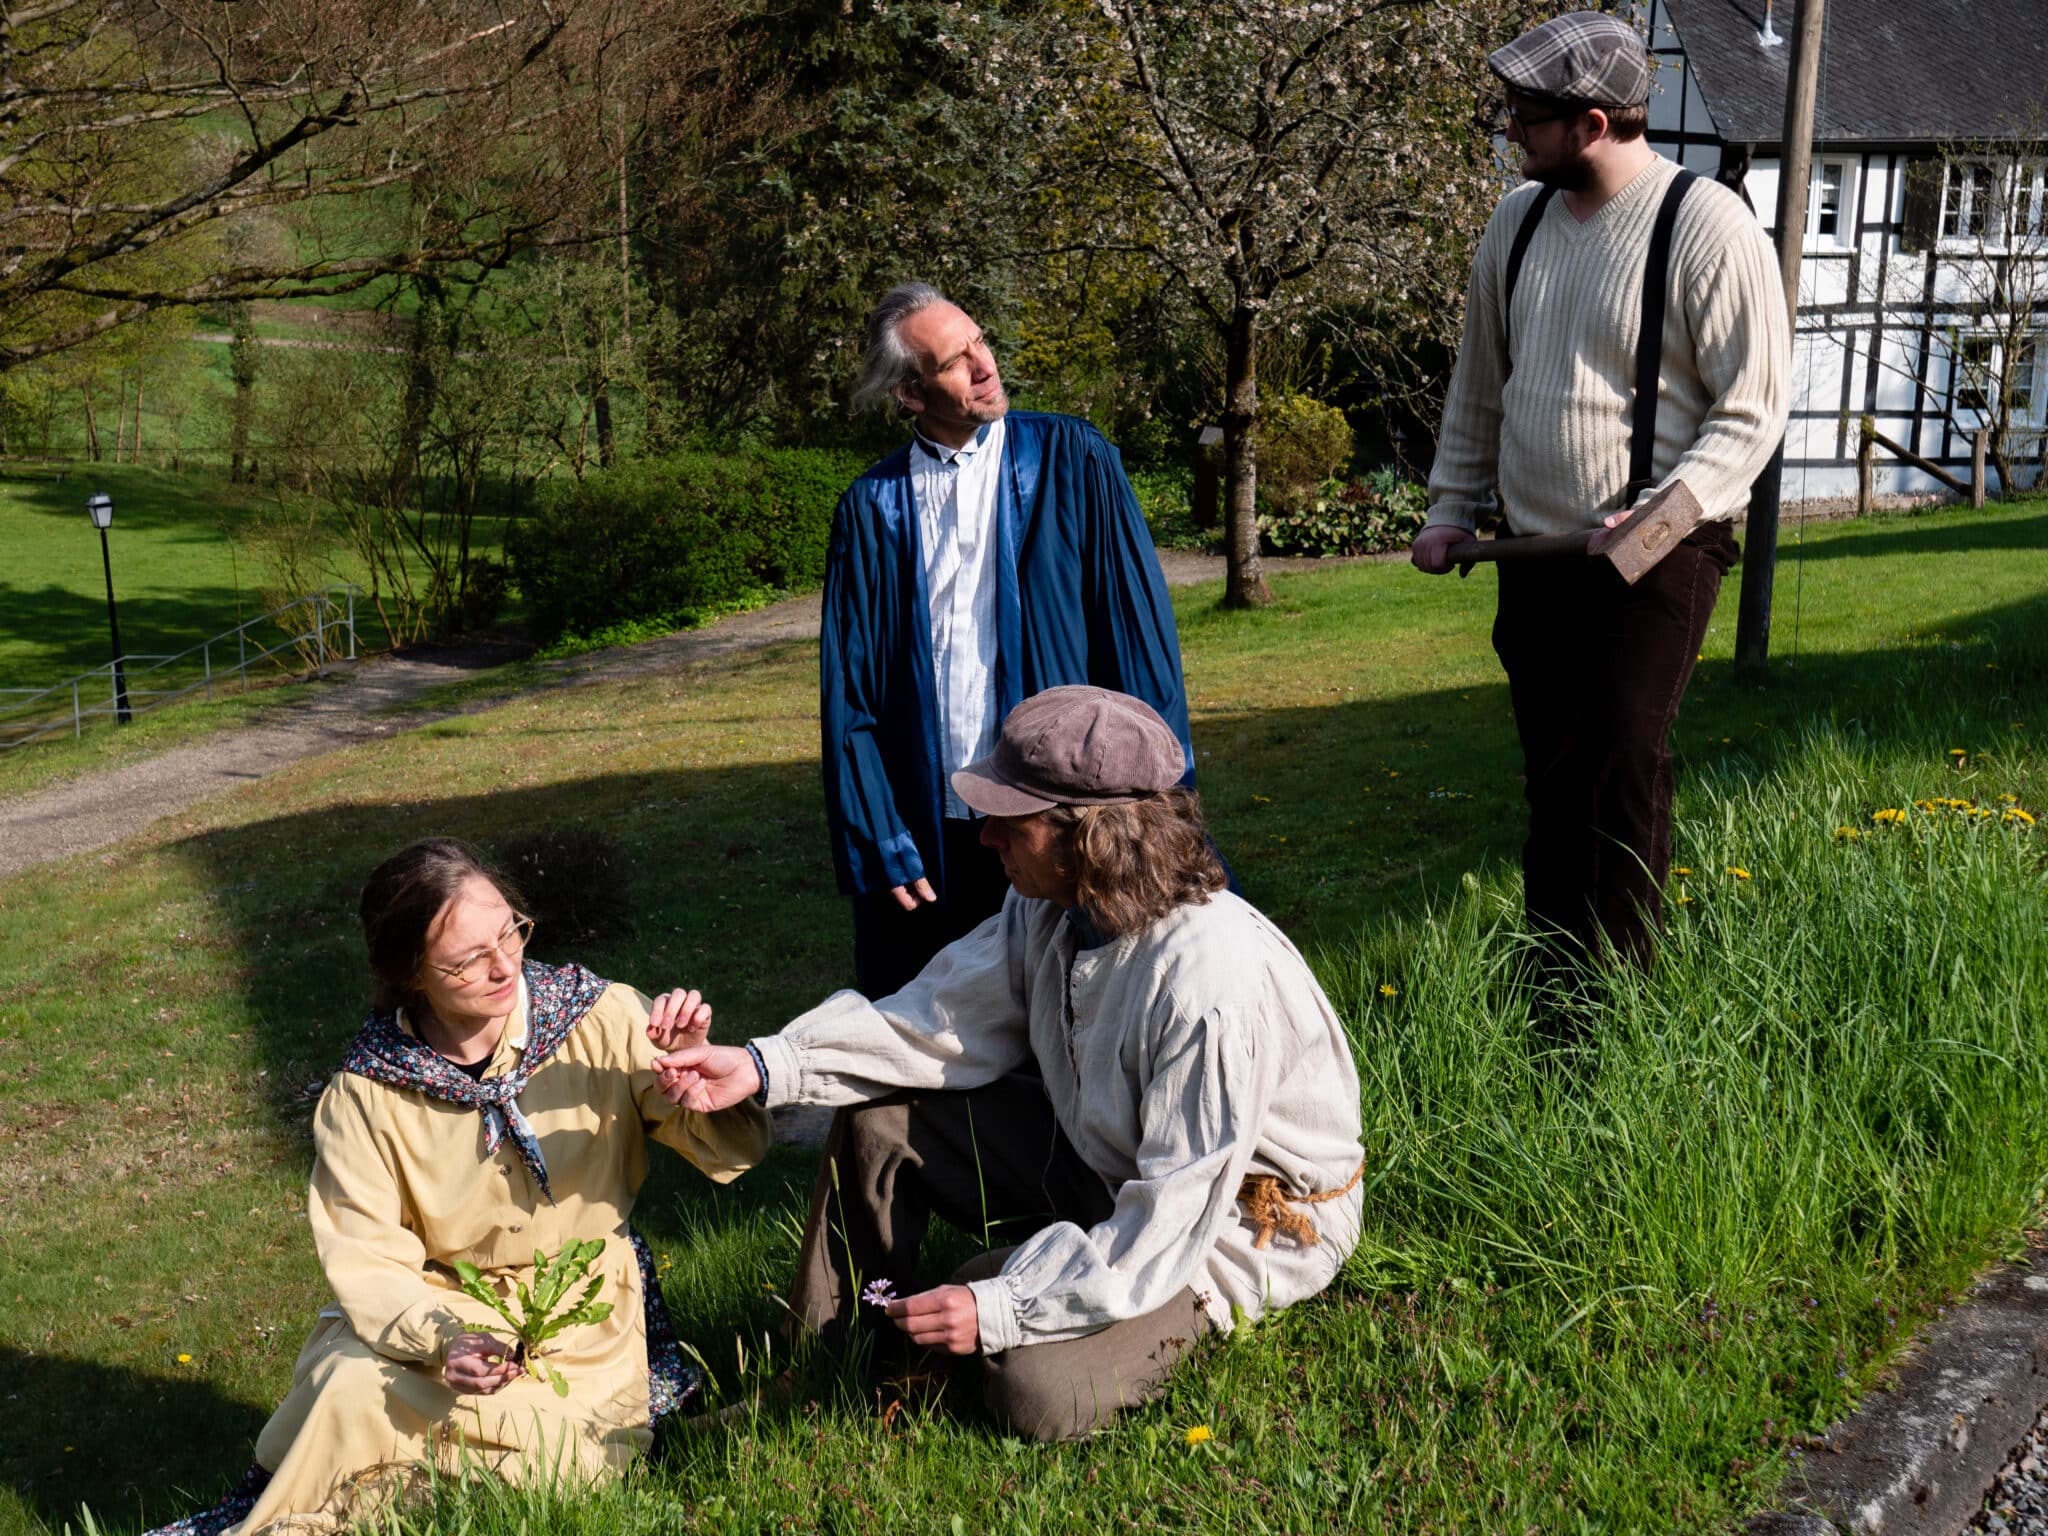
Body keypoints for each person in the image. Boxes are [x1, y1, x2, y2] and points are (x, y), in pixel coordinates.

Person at [656, 687, 1364, 1442]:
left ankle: (954, 1317)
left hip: (1232, 1229)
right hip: (1108, 1163)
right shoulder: (1053, 907)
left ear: (1091, 836)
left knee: (1036, 1391)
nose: (985, 836)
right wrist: (764, 1065)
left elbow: (1172, 1215)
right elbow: (938, 1019)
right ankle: (819, 1366)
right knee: (879, 1123)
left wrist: (1000, 1303)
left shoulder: (1206, 984)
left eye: (1011, 820)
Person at [147, 838, 769, 1536]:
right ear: (410, 973)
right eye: (468, 960)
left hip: (578, 1319)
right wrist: (445, 1341)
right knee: (350, 1388)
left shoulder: (599, 1018)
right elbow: (367, 1258)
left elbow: (735, 1150)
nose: (505, 965)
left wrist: (694, 1072)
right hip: (442, 1309)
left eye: (510, 931)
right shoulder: (367, 1093)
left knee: (555, 1461)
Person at [1410, 12, 1789, 967]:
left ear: (1591, 123)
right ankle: (1554, 981)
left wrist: (1661, 518)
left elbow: (1752, 412)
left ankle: (1620, 994)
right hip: (1534, 549)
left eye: (1525, 118)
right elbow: (1479, 387)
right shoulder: (1516, 222)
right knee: (1554, 774)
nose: (1509, 132)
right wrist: (1451, 509)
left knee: (1621, 764)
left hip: (1661, 552)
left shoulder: (1705, 225)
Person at [822, 282, 1196, 1000]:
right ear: (909, 392)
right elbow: (851, 695)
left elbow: (1141, 643)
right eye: (954, 361)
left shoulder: (1074, 459)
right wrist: (878, 833)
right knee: (934, 1020)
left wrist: (1163, 799)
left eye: (980, 342)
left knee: (1089, 1003)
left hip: (1064, 817)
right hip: (934, 833)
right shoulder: (871, 509)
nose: (984, 365)